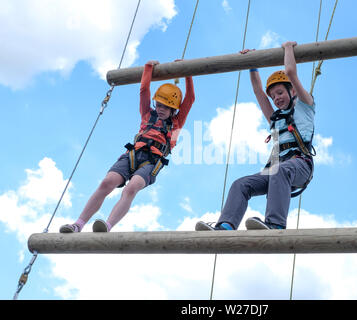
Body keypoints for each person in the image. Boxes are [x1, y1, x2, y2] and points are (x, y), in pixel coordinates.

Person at [60, 60, 195, 233]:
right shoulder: (147, 115)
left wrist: (187, 73)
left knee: (132, 188)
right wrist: (148, 68)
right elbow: (144, 91)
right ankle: (78, 224)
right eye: (159, 105)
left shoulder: (176, 123)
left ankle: (107, 226)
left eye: (166, 107)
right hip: (132, 155)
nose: (160, 109)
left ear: (173, 109)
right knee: (106, 183)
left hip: (152, 162)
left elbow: (190, 98)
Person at [196, 41, 315, 231]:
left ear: (292, 91)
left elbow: (291, 73)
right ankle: (226, 225)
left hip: (300, 165)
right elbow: (258, 91)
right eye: (273, 96)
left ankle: (275, 224)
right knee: (241, 184)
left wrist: (289, 49)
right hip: (277, 170)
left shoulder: (305, 107)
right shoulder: (275, 119)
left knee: (280, 171)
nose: (276, 98)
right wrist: (252, 63)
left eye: (280, 92)